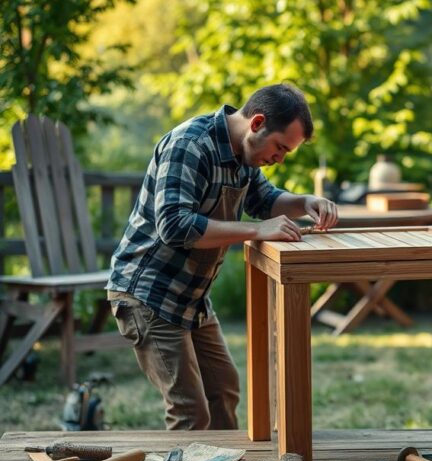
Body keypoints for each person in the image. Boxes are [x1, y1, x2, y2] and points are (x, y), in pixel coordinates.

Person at [106, 83, 336, 430]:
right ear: (257, 122)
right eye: (280, 147)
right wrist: (257, 231)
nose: (279, 158)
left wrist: (305, 202)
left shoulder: (241, 155)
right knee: (191, 412)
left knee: (224, 390)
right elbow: (174, 225)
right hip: (148, 294)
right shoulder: (190, 144)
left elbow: (264, 200)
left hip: (191, 298)